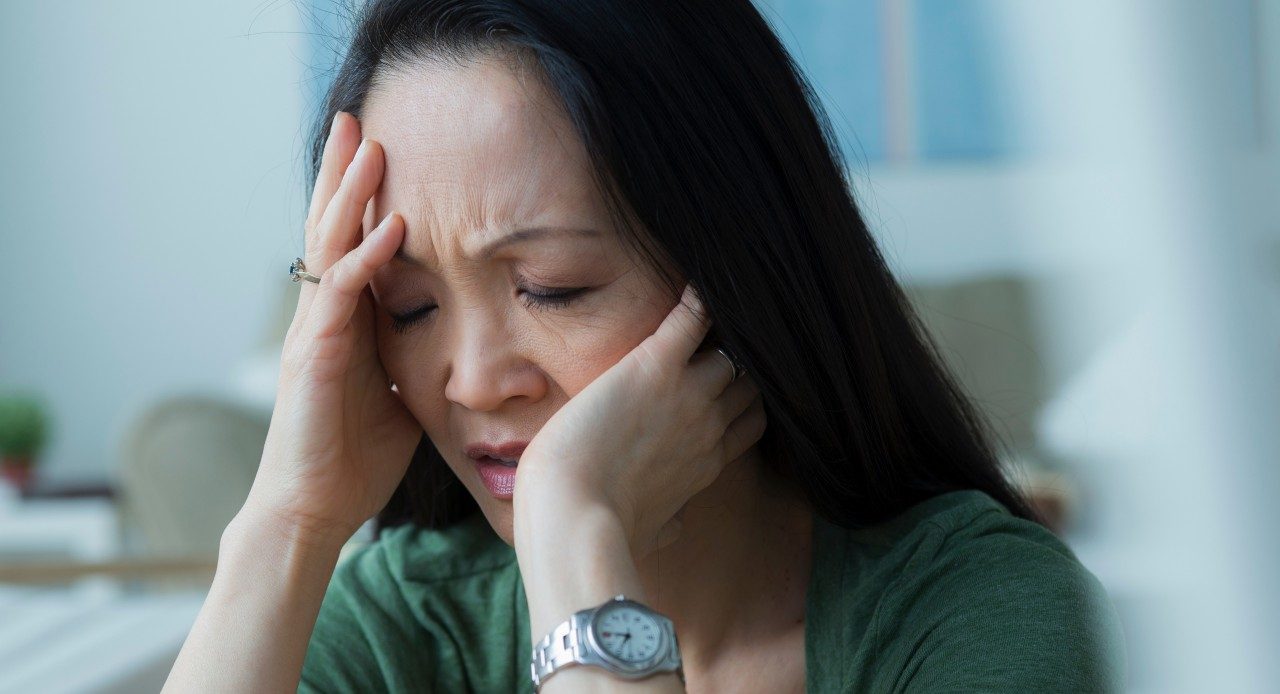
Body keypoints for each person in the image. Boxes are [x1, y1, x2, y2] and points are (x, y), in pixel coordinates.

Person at [164, 1, 1127, 692]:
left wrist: (580, 538)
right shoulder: (412, 624)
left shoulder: (987, 617)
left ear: (741, 272)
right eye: (410, 308)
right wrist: (286, 525)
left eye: (552, 289)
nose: (471, 380)